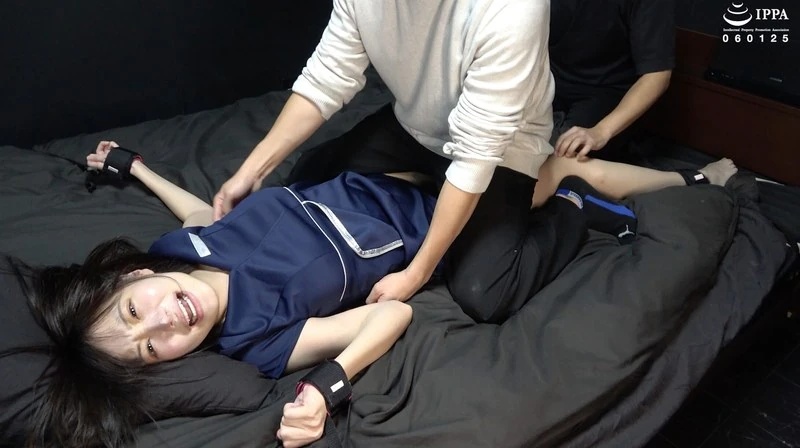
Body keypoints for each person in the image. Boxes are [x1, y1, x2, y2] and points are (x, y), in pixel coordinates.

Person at [24, 140, 736, 448]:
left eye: (134, 311)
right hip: (436, 219)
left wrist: (136, 168)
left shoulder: (183, 250)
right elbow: (391, 314)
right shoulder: (256, 341)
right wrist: (329, 384)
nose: (164, 322)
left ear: (134, 278)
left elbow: (198, 214)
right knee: (546, 186)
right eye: (152, 350)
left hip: (377, 169)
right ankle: (695, 184)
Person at [212, 0, 567, 320]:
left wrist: (416, 273)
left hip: (503, 148)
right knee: (309, 172)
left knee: (485, 293)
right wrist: (250, 171)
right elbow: (327, 77)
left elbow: (474, 160)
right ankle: (429, 183)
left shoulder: (514, 9)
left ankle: (568, 189)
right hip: (419, 125)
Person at [549, 0, 676, 161]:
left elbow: (657, 76)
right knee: (523, 144)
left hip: (606, 91)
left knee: (567, 153)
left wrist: (601, 131)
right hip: (549, 79)